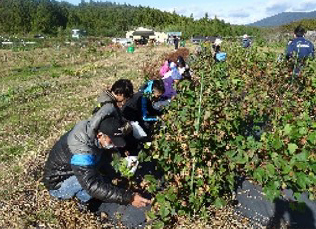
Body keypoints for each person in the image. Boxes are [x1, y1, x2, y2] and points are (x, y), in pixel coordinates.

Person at [43, 113, 151, 208]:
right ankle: (81, 202)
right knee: (96, 183)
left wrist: (118, 174)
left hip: (71, 170)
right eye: (112, 141)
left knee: (103, 173)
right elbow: (92, 185)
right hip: (58, 185)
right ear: (100, 135)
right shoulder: (82, 151)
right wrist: (129, 198)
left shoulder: (93, 131)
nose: (114, 144)